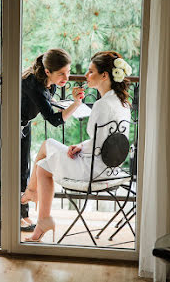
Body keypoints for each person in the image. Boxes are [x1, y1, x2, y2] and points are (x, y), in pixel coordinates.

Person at [21, 51, 132, 242]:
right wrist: (80, 146)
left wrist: (82, 148)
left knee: (45, 156)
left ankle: (35, 202)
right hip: (112, 168)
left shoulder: (102, 105)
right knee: (45, 158)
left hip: (93, 170)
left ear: (104, 75)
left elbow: (97, 144)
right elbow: (104, 141)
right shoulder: (121, 102)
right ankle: (41, 216)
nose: (85, 76)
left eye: (90, 72)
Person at [0, 48, 84, 232]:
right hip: (6, 120)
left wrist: (63, 105)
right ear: (48, 71)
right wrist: (76, 104)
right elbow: (55, 120)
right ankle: (11, 216)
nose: (66, 77)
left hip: (23, 121)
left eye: (68, 72)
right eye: (62, 74)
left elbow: (47, 104)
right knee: (10, 168)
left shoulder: (50, 83)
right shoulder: (34, 84)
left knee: (24, 168)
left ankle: (23, 214)